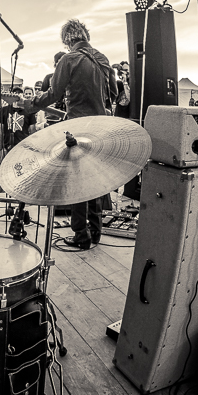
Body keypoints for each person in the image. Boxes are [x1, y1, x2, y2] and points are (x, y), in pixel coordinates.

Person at [31, 18, 118, 250]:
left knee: (78, 180)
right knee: (95, 179)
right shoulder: (102, 58)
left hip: (78, 126)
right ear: (85, 36)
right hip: (100, 126)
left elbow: (53, 94)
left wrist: (32, 104)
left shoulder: (68, 59)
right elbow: (114, 92)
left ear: (67, 40)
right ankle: (96, 231)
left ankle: (81, 234)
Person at [0, 86, 30, 157]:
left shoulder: (28, 111)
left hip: (23, 149)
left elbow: (32, 131)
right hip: (7, 147)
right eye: (15, 93)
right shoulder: (4, 110)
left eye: (19, 93)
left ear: (22, 95)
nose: (17, 95)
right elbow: (0, 130)